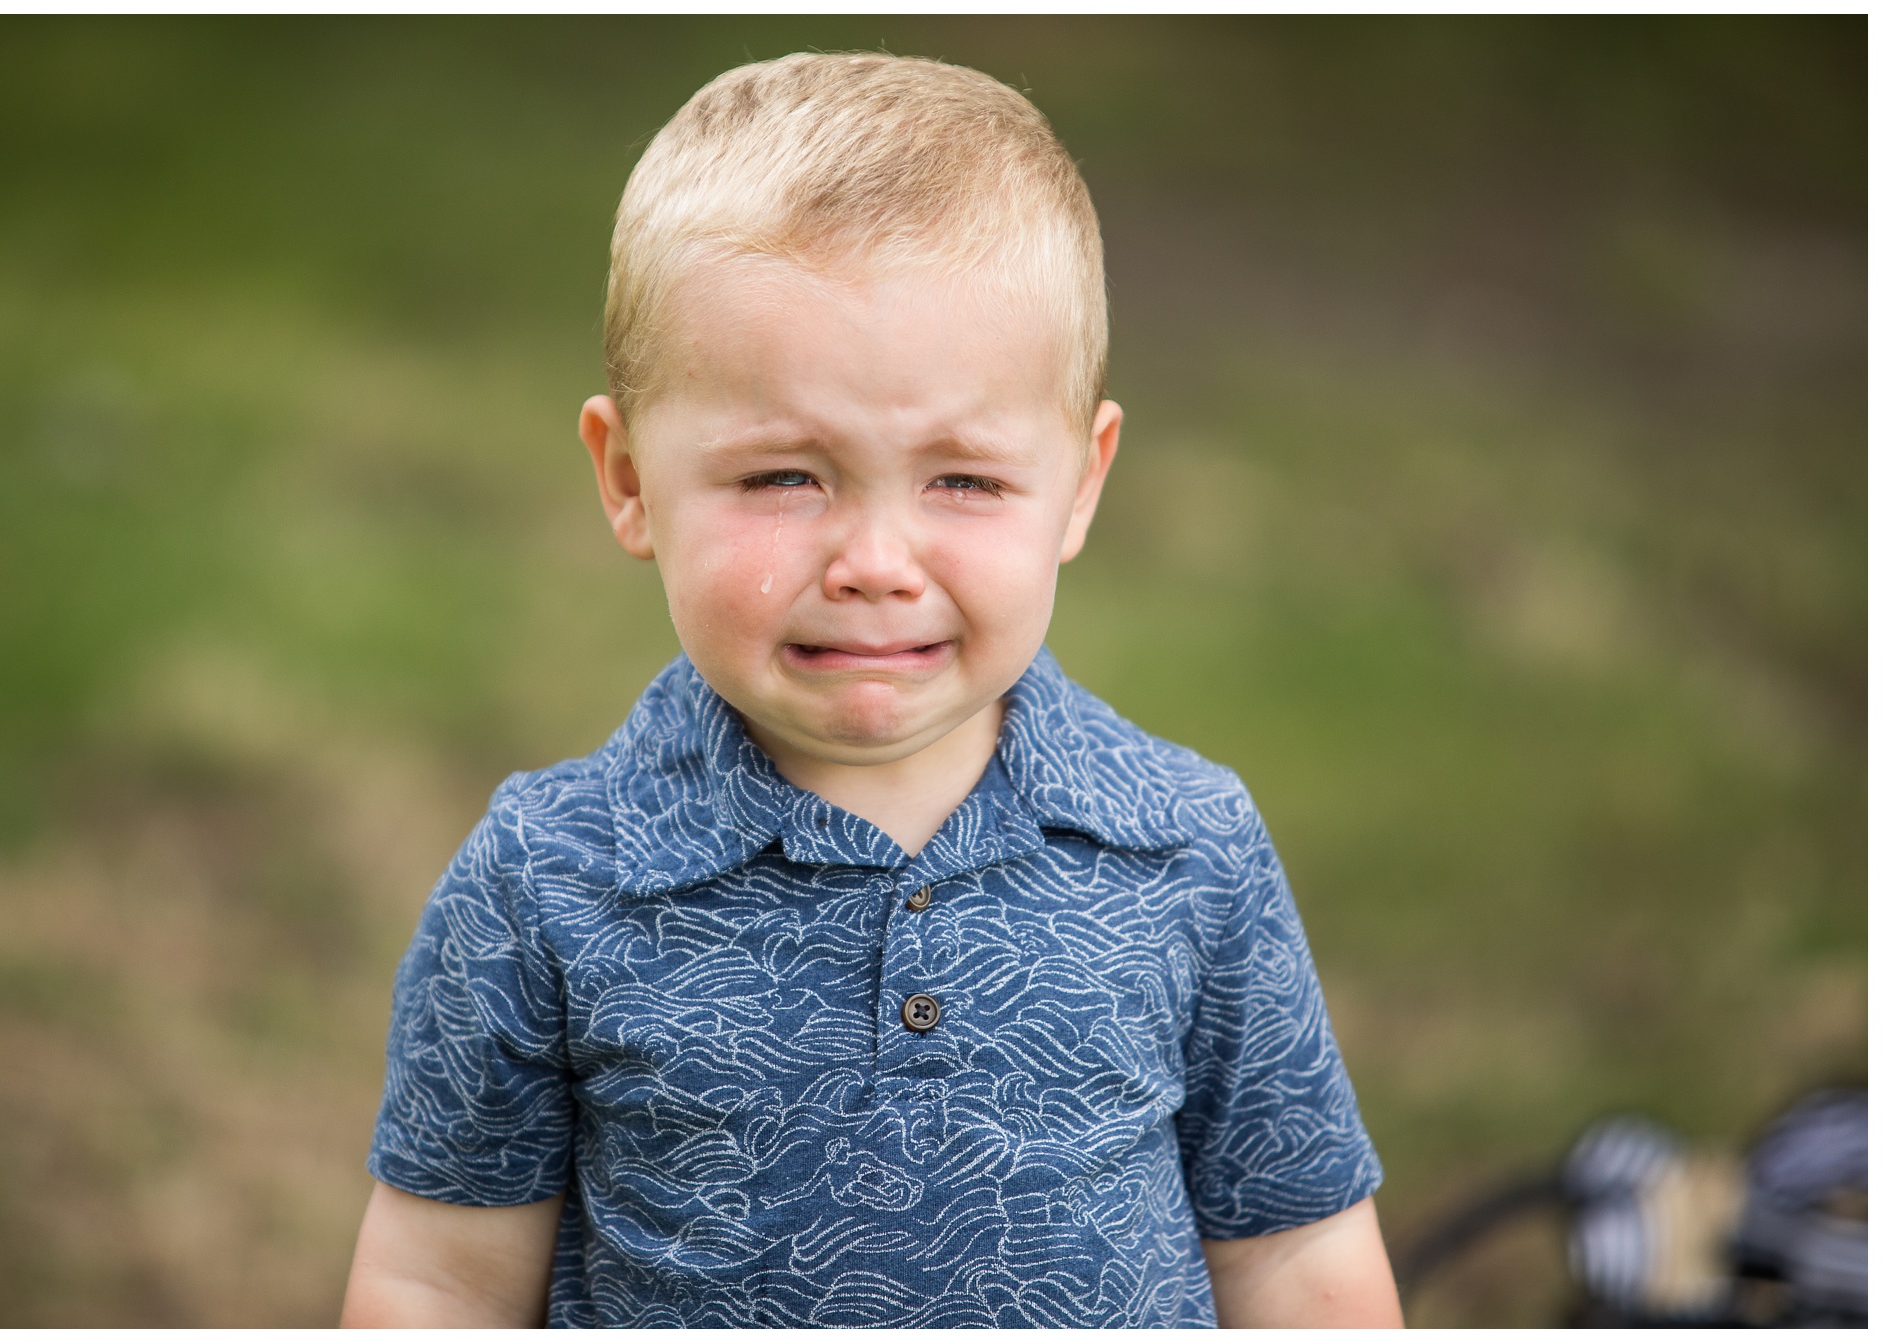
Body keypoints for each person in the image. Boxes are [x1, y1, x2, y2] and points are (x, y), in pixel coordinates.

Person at [340, 51, 1401, 1328]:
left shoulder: (1185, 847)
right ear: (626, 478)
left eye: (963, 479)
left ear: (1081, 480)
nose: (875, 565)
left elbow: (1294, 1258)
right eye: (783, 477)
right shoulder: (549, 881)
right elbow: (440, 1279)